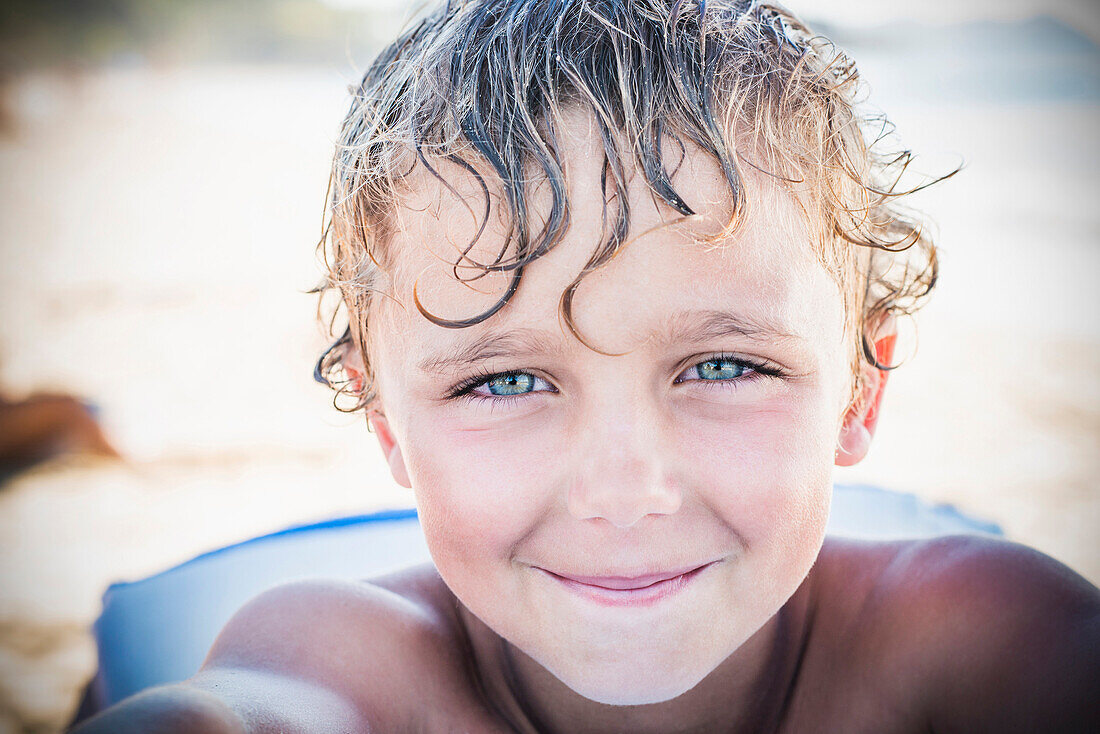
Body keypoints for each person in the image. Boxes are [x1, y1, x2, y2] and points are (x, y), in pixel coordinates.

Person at [72, 1, 1100, 731]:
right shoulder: (343, 657)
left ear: (861, 385)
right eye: (504, 380)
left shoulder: (974, 641)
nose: (622, 492)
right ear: (384, 420)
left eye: (722, 365)